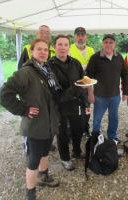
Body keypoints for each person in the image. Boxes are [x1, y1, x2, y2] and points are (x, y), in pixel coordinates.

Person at [0, 39, 60, 200]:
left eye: (46, 50)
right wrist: (23, 109)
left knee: (45, 152)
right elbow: (5, 94)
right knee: (33, 159)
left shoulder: (46, 69)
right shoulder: (26, 72)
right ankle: (30, 193)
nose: (43, 52)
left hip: (49, 123)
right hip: (35, 125)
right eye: (39, 49)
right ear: (32, 51)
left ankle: (44, 175)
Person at [47, 35, 90, 171]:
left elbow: (84, 81)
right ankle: (65, 158)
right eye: (60, 44)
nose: (63, 48)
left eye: (66, 45)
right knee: (63, 133)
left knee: (78, 129)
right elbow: (56, 93)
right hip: (59, 106)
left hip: (76, 104)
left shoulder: (75, 63)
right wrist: (77, 87)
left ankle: (77, 152)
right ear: (54, 47)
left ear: (69, 47)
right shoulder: (49, 66)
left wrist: (86, 102)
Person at [86, 34, 128, 142]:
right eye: (106, 42)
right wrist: (90, 93)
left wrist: (125, 92)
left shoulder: (119, 57)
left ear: (114, 44)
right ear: (102, 43)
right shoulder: (95, 57)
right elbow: (88, 77)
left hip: (115, 96)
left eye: (111, 42)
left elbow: (124, 75)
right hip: (99, 96)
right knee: (97, 119)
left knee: (114, 118)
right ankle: (95, 136)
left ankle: (112, 137)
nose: (108, 44)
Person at [69, 27, 95, 136]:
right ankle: (73, 130)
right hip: (75, 86)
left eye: (82, 35)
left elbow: (92, 69)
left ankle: (85, 127)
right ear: (74, 36)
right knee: (74, 110)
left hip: (88, 86)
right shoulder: (69, 49)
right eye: (78, 35)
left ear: (86, 37)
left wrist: (91, 90)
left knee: (87, 109)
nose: (80, 37)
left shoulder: (91, 50)